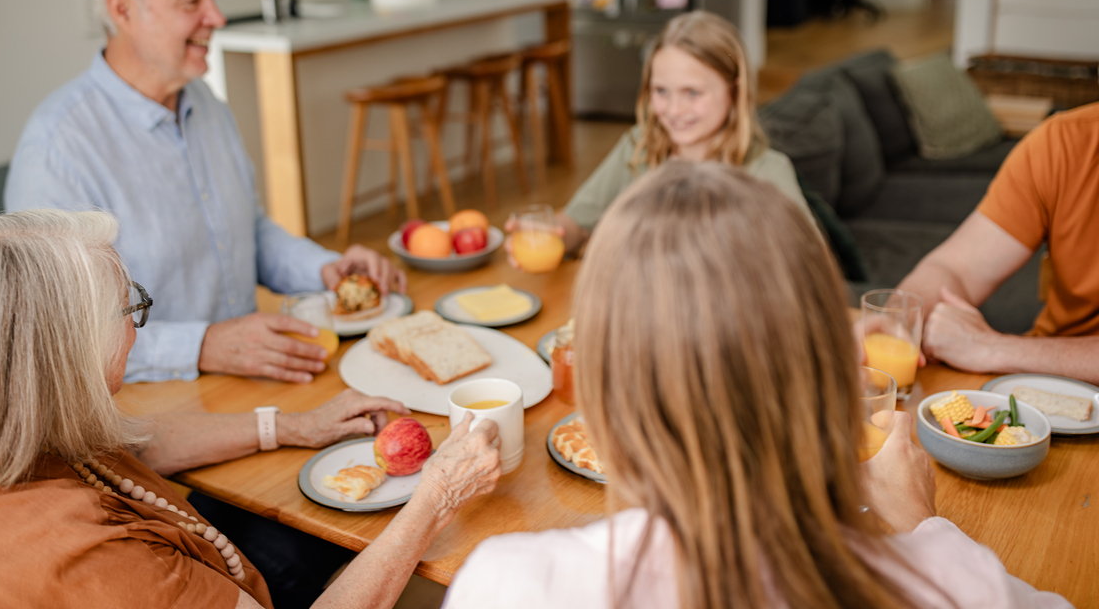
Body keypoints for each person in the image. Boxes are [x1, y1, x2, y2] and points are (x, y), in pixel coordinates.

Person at [447, 162, 1070, 609]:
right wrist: (925, 528)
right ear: (828, 375)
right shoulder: (954, 584)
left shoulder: (509, 586)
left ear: (607, 403)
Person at [0, 209, 501, 609]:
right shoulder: (105, 570)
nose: (138, 325)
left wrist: (293, 426)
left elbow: (129, 441)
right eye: (129, 309)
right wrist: (437, 497)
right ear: (60, 360)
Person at [4, 0, 400, 385]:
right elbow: (60, 334)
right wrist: (205, 345)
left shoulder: (205, 102)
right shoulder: (56, 149)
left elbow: (247, 233)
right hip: (146, 416)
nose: (217, 16)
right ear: (122, 10)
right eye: (193, 0)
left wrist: (326, 270)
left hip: (252, 383)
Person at [513, 10, 811, 261]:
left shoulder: (767, 173)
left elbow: (811, 268)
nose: (674, 110)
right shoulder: (639, 147)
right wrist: (547, 236)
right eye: (661, 91)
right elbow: (576, 224)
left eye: (692, 93)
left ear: (734, 90)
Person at [896, 103, 1099, 384]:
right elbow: (954, 269)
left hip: (1033, 369)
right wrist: (897, 319)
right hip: (1040, 387)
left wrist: (994, 348)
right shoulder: (1064, 142)